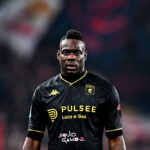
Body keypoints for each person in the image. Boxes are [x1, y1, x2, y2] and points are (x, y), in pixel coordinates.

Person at [22, 29, 126, 150]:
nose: (71, 57)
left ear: (84, 55)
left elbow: (116, 138)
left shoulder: (105, 90)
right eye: (66, 52)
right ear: (58, 55)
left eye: (77, 53)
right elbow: (33, 138)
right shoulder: (42, 92)